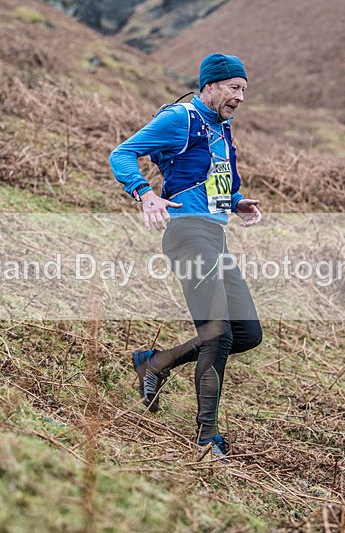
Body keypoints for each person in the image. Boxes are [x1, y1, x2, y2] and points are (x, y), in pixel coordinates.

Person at [109, 53, 263, 459]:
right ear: (209, 86)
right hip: (187, 234)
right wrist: (145, 194)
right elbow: (121, 153)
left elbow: (209, 181)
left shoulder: (221, 127)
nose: (241, 97)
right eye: (234, 88)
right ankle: (206, 437)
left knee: (247, 333)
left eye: (244, 90)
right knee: (218, 332)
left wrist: (236, 202)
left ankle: (156, 363)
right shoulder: (180, 118)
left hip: (215, 236)